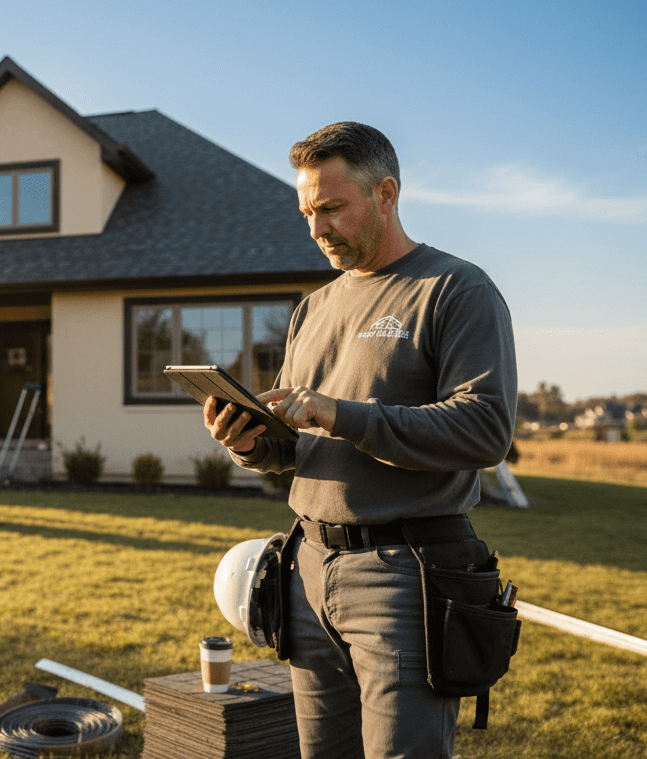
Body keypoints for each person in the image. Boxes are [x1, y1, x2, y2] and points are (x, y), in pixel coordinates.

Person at [203, 122, 516, 758]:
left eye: (331, 208)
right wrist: (249, 442)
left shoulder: (454, 289)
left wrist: (340, 412)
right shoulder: (312, 309)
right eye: (306, 212)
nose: (316, 228)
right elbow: (298, 446)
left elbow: (485, 427)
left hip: (402, 575)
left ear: (386, 194)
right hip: (306, 569)